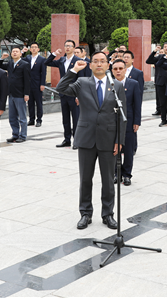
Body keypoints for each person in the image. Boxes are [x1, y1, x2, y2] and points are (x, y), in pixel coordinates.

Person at [56, 52, 126, 230]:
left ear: (108, 65)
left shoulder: (116, 85)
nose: (99, 64)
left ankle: (108, 214)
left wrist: (119, 140)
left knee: (108, 180)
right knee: (85, 179)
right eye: (95, 61)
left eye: (102, 61)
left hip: (108, 139)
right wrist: (74, 70)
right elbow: (61, 88)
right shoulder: (82, 82)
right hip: (86, 138)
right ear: (90, 65)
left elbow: (122, 115)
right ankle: (85, 213)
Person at [46, 40, 87, 148]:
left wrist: (79, 95)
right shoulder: (61, 60)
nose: (67, 47)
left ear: (74, 48)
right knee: (65, 119)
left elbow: (81, 79)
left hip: (74, 94)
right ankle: (67, 139)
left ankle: (77, 141)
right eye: (66, 46)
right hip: (63, 93)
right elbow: (47, 62)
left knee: (76, 119)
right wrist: (54, 54)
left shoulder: (78, 61)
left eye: (70, 46)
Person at [111, 59, 142, 186]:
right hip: (111, 122)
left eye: (120, 68)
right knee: (114, 149)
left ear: (125, 69)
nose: (118, 71)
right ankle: (116, 173)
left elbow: (137, 104)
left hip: (128, 121)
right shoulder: (109, 83)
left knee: (128, 150)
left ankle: (127, 175)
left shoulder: (133, 84)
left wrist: (137, 121)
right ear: (112, 71)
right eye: (115, 69)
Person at [0, 46, 31, 143]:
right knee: (12, 117)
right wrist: (1, 58)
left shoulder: (25, 64)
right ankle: (15, 134)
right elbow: (0, 66)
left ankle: (23, 135)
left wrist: (26, 93)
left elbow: (27, 80)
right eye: (13, 51)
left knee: (22, 117)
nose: (15, 53)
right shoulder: (10, 63)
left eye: (17, 51)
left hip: (20, 94)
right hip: (11, 93)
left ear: (20, 54)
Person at [122, 50, 144, 154]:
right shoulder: (119, 72)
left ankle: (133, 147)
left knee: (132, 129)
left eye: (128, 57)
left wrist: (137, 117)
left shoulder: (138, 73)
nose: (125, 59)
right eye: (124, 57)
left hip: (132, 104)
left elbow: (139, 92)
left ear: (132, 59)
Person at [21, 42, 47, 128]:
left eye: (35, 47)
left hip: (37, 84)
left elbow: (43, 73)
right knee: (30, 102)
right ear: (30, 49)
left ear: (38, 49)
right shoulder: (27, 58)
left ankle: (39, 120)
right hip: (28, 84)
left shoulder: (42, 59)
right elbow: (19, 60)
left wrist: (42, 83)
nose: (34, 48)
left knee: (38, 103)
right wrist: (22, 52)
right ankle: (31, 119)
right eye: (32, 47)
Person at [146, 43, 167, 126]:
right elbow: (148, 61)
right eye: (165, 47)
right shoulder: (160, 57)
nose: (166, 48)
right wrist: (154, 51)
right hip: (160, 82)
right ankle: (164, 120)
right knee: (162, 103)